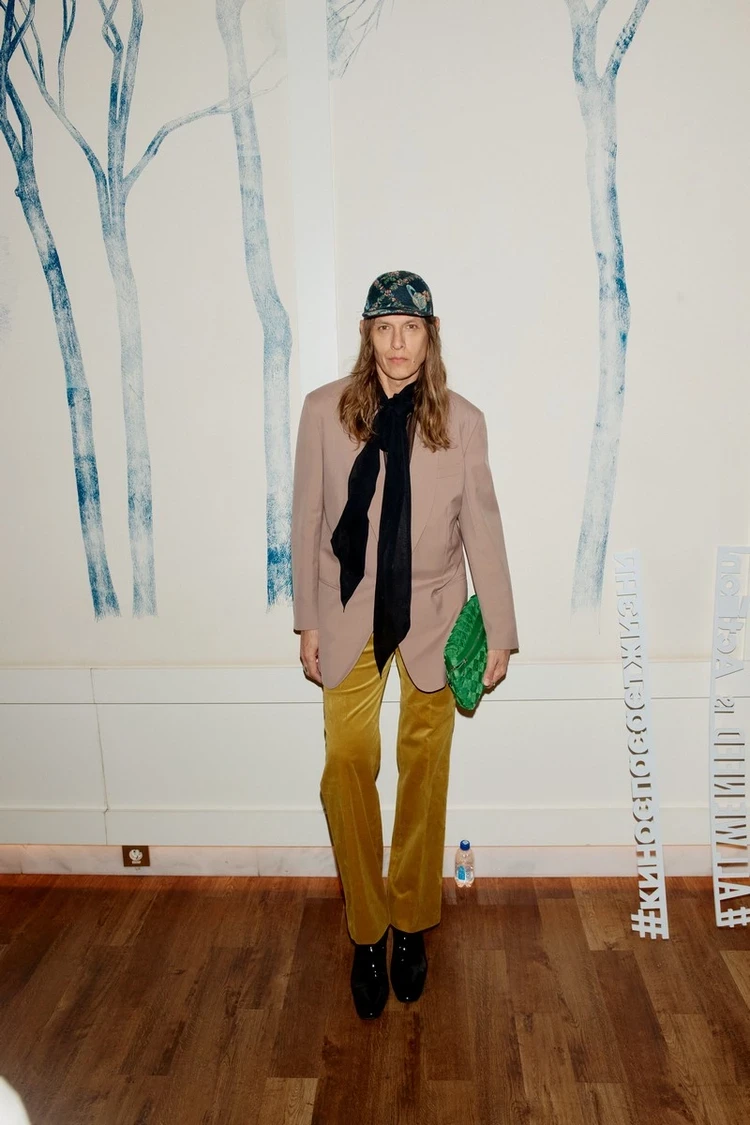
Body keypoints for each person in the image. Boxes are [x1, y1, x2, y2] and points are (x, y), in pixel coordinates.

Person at [291, 270, 518, 1019]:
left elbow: (481, 525)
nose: (397, 343)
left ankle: (412, 922)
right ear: (367, 334)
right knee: (347, 762)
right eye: (384, 328)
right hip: (348, 609)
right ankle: (366, 929)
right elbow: (307, 519)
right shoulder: (323, 411)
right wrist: (307, 620)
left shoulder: (462, 420)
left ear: (430, 334)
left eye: (410, 328)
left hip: (433, 614)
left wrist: (500, 629)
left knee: (425, 771)